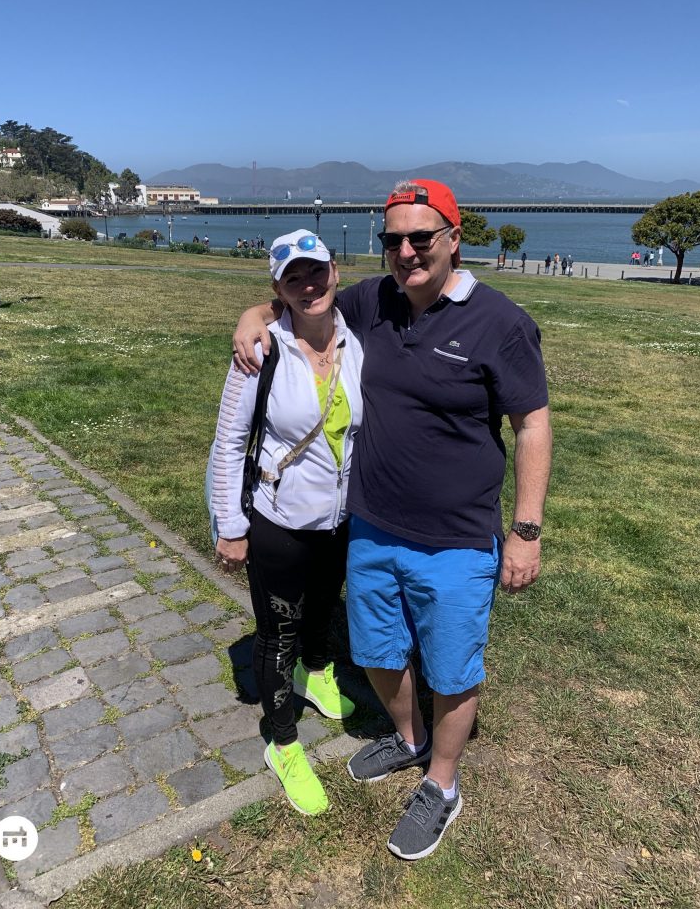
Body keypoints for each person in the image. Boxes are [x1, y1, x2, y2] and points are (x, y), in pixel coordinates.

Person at [233, 180, 552, 860]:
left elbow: (532, 424)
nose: (405, 252)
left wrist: (525, 530)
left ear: (454, 238)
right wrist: (253, 314)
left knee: (451, 669)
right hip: (372, 527)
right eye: (393, 240)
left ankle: (442, 782)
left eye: (421, 238)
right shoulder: (373, 301)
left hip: (458, 538)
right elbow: (299, 298)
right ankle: (409, 739)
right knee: (377, 653)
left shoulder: (501, 321)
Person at [210, 229, 364, 817]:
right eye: (292, 277)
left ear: (335, 273)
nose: (308, 285)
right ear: (277, 288)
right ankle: (282, 742)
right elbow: (229, 442)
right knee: (278, 632)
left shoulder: (357, 339)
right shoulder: (261, 352)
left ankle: (320, 671)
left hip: (340, 515)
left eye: (316, 271)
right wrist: (231, 523)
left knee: (326, 602)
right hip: (277, 517)